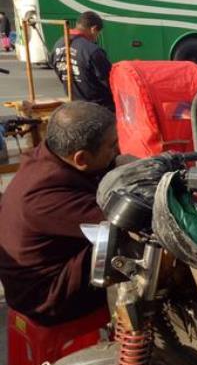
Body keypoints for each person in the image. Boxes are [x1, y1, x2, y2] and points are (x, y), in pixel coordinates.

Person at [0, 101, 118, 326]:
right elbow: (121, 220)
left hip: (45, 272)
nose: (117, 150)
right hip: (47, 299)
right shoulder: (45, 197)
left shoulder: (46, 156)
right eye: (112, 146)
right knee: (137, 245)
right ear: (81, 159)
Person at [51, 11, 114, 111]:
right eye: (97, 34)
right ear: (93, 29)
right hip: (99, 108)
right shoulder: (92, 50)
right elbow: (110, 81)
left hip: (74, 104)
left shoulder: (58, 44)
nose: (95, 38)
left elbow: (58, 72)